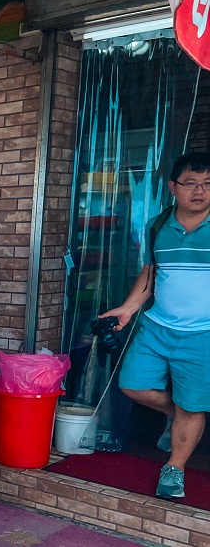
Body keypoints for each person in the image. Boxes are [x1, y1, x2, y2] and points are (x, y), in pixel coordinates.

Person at [99, 152, 210, 499]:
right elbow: (150, 273)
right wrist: (129, 308)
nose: (200, 191)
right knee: (132, 385)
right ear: (172, 187)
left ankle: (174, 468)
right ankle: (180, 416)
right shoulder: (158, 225)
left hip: (203, 334)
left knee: (193, 409)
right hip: (157, 327)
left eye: (208, 185)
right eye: (191, 183)